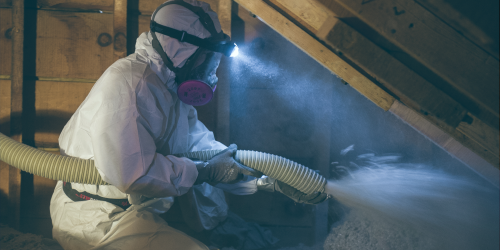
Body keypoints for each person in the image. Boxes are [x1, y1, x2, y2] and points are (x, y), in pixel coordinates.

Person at [50, 1, 326, 249]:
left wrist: (268, 181)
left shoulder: (170, 91)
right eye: (209, 60)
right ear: (184, 51)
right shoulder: (131, 84)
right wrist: (206, 172)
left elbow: (204, 151)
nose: (211, 72)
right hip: (94, 219)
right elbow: (130, 174)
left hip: (133, 212)